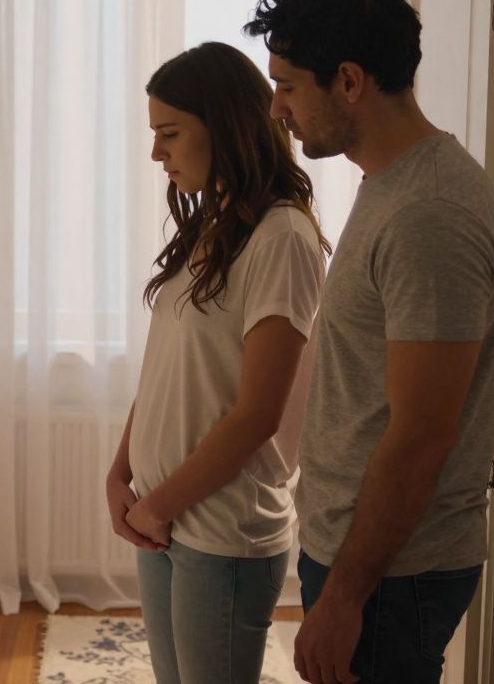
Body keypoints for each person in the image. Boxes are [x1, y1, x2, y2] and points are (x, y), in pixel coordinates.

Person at [244, 0, 494, 684]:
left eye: (288, 85)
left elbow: (422, 434)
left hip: (393, 573)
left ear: (350, 82)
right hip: (366, 558)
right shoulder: (393, 186)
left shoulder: (429, 216)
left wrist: (346, 597)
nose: (277, 110)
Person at [106, 40, 329, 683]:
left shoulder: (282, 236)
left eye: (170, 133)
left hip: (221, 528)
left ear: (226, 124)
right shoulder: (212, 227)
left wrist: (159, 504)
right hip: (166, 513)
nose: (157, 153)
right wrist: (120, 475)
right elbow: (164, 373)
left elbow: (259, 412)